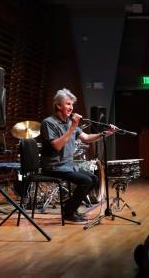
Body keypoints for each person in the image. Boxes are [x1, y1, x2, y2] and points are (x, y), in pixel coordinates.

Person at [40, 88, 115, 222]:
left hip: (68, 165)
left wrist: (104, 134)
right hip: (54, 166)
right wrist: (73, 127)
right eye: (68, 104)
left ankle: (70, 207)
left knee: (94, 179)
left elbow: (86, 137)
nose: (71, 107)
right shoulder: (49, 123)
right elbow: (57, 145)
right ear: (58, 105)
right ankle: (69, 212)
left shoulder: (69, 122)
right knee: (85, 181)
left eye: (72, 104)